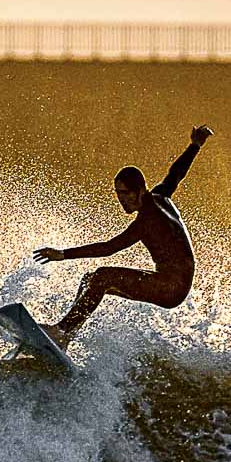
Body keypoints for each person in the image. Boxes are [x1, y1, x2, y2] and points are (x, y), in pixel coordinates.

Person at [34, 125, 215, 348]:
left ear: (140, 190)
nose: (121, 200)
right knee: (90, 281)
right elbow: (175, 174)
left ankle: (61, 331)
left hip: (171, 287)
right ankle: (65, 334)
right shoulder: (159, 195)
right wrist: (195, 145)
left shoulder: (149, 218)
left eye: (125, 193)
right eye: (118, 194)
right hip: (170, 282)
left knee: (102, 277)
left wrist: (62, 254)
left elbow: (110, 247)